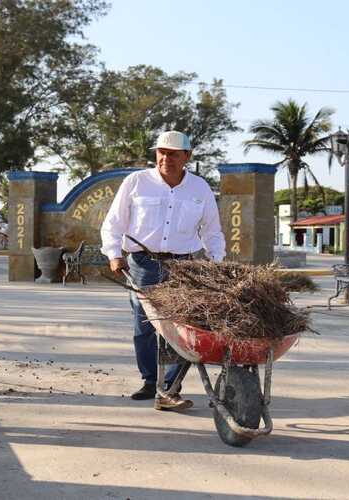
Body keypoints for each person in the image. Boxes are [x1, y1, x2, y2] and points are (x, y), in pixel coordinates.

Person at [100, 130, 226, 411]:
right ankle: (149, 381)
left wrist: (216, 262)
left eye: (173, 154)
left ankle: (169, 386)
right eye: (161, 152)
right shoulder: (136, 182)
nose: (165, 158)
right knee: (144, 325)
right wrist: (114, 254)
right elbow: (114, 222)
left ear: (187, 157)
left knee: (184, 327)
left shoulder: (200, 188)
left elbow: (212, 230)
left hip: (184, 265)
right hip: (143, 263)